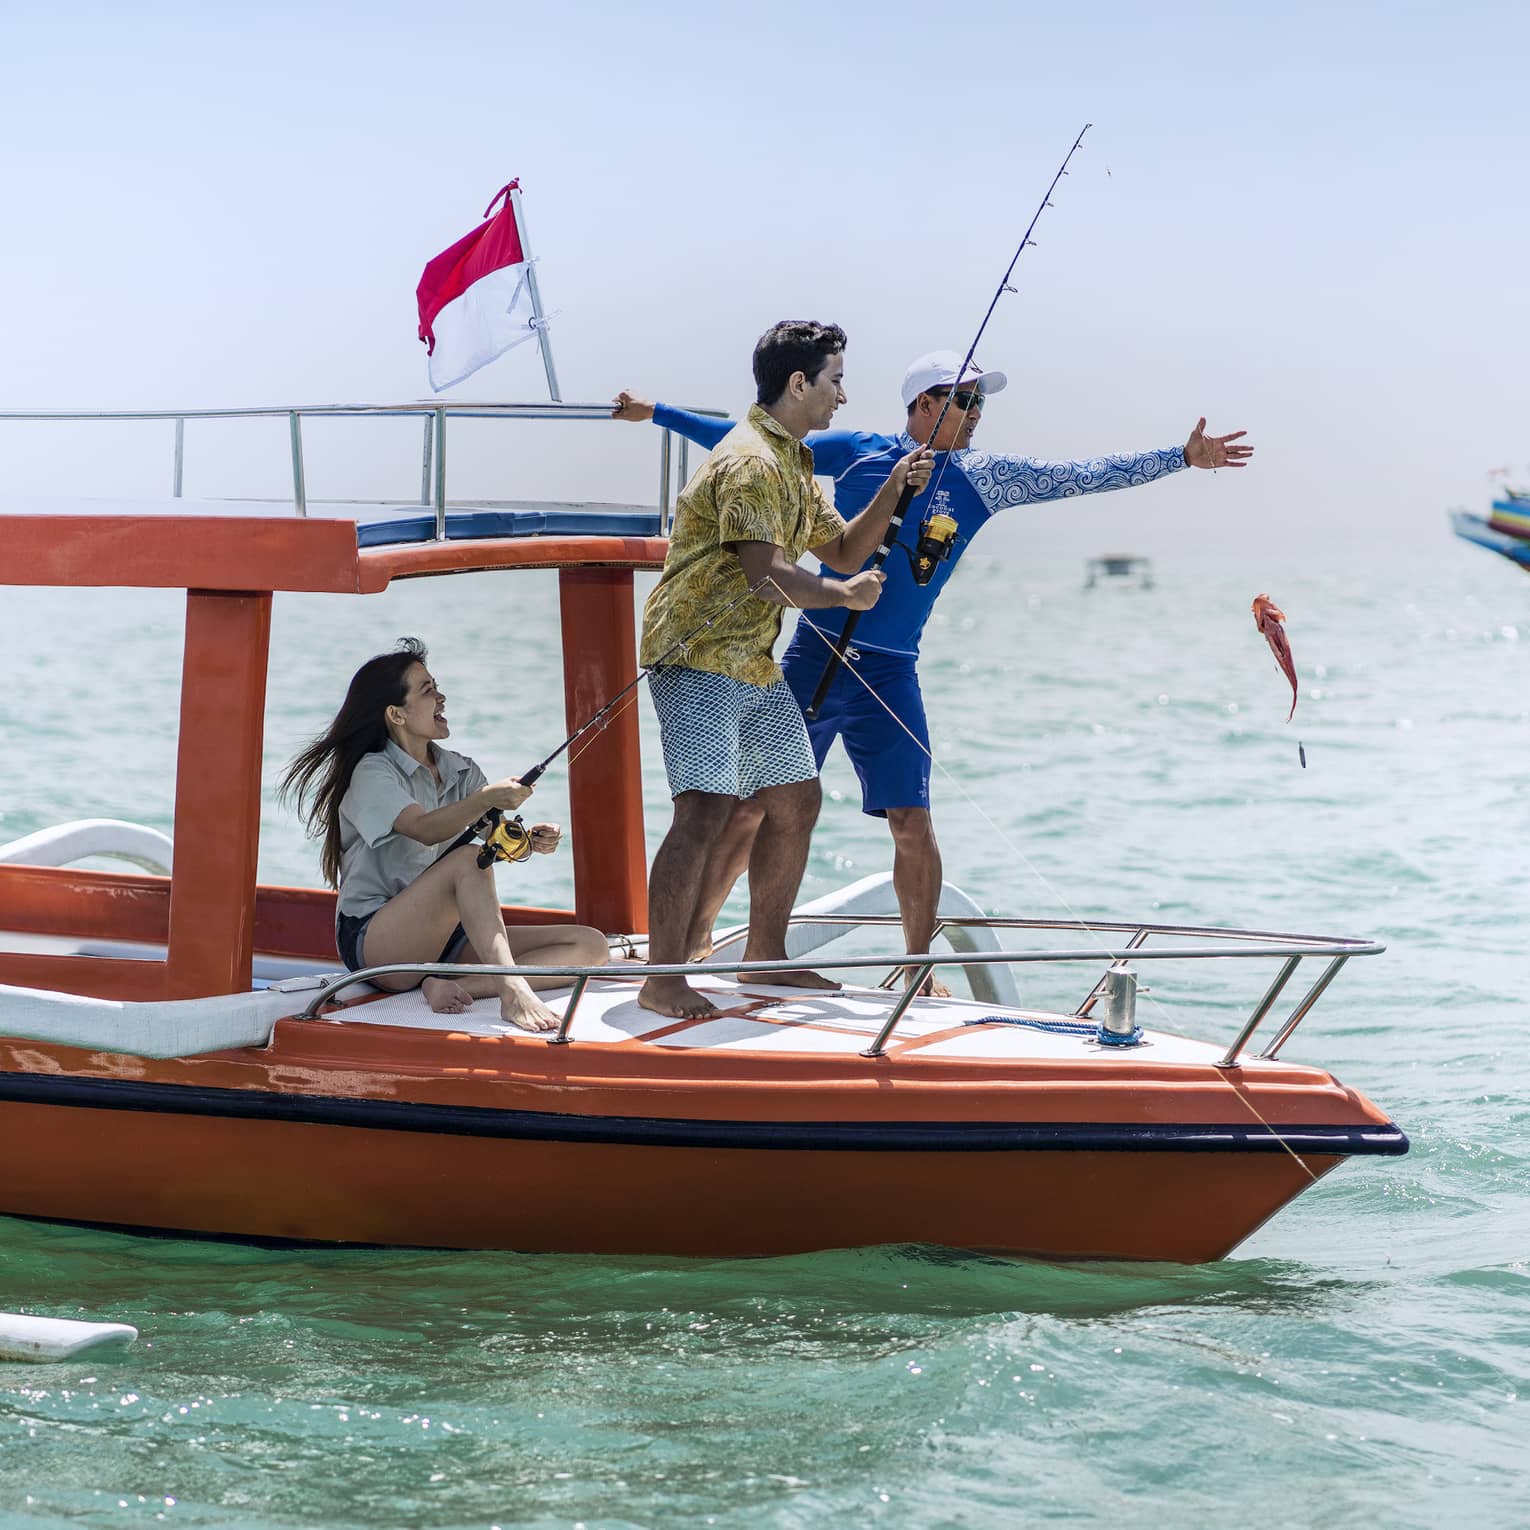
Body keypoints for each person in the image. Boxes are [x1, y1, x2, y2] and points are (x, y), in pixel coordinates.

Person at [615, 350, 1253, 992]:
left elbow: (1080, 474)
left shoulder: (988, 477)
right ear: (925, 405)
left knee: (912, 821)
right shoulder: (861, 450)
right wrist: (657, 414)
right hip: (816, 651)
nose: (978, 415)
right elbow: (745, 441)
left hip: (891, 670)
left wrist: (1180, 457)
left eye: (982, 403)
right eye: (967, 401)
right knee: (751, 806)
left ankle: (916, 968)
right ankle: (692, 943)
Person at [637, 320, 932, 1020]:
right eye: (834, 380)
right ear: (798, 383)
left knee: (796, 800)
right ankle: (663, 977)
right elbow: (767, 574)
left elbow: (843, 552)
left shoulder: (794, 462)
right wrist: (841, 599)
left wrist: (893, 486)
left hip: (751, 659)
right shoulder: (750, 462)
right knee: (704, 809)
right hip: (694, 655)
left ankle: (764, 953)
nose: (843, 396)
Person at [280, 637, 608, 1032]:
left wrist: (530, 842)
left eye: (436, 686)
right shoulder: (372, 773)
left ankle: (452, 985)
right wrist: (487, 797)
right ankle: (512, 992)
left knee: (590, 945)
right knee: (466, 859)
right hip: (379, 944)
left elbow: (494, 838)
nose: (442, 698)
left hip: (445, 943)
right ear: (396, 714)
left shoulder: (461, 770)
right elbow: (424, 829)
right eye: (428, 691)